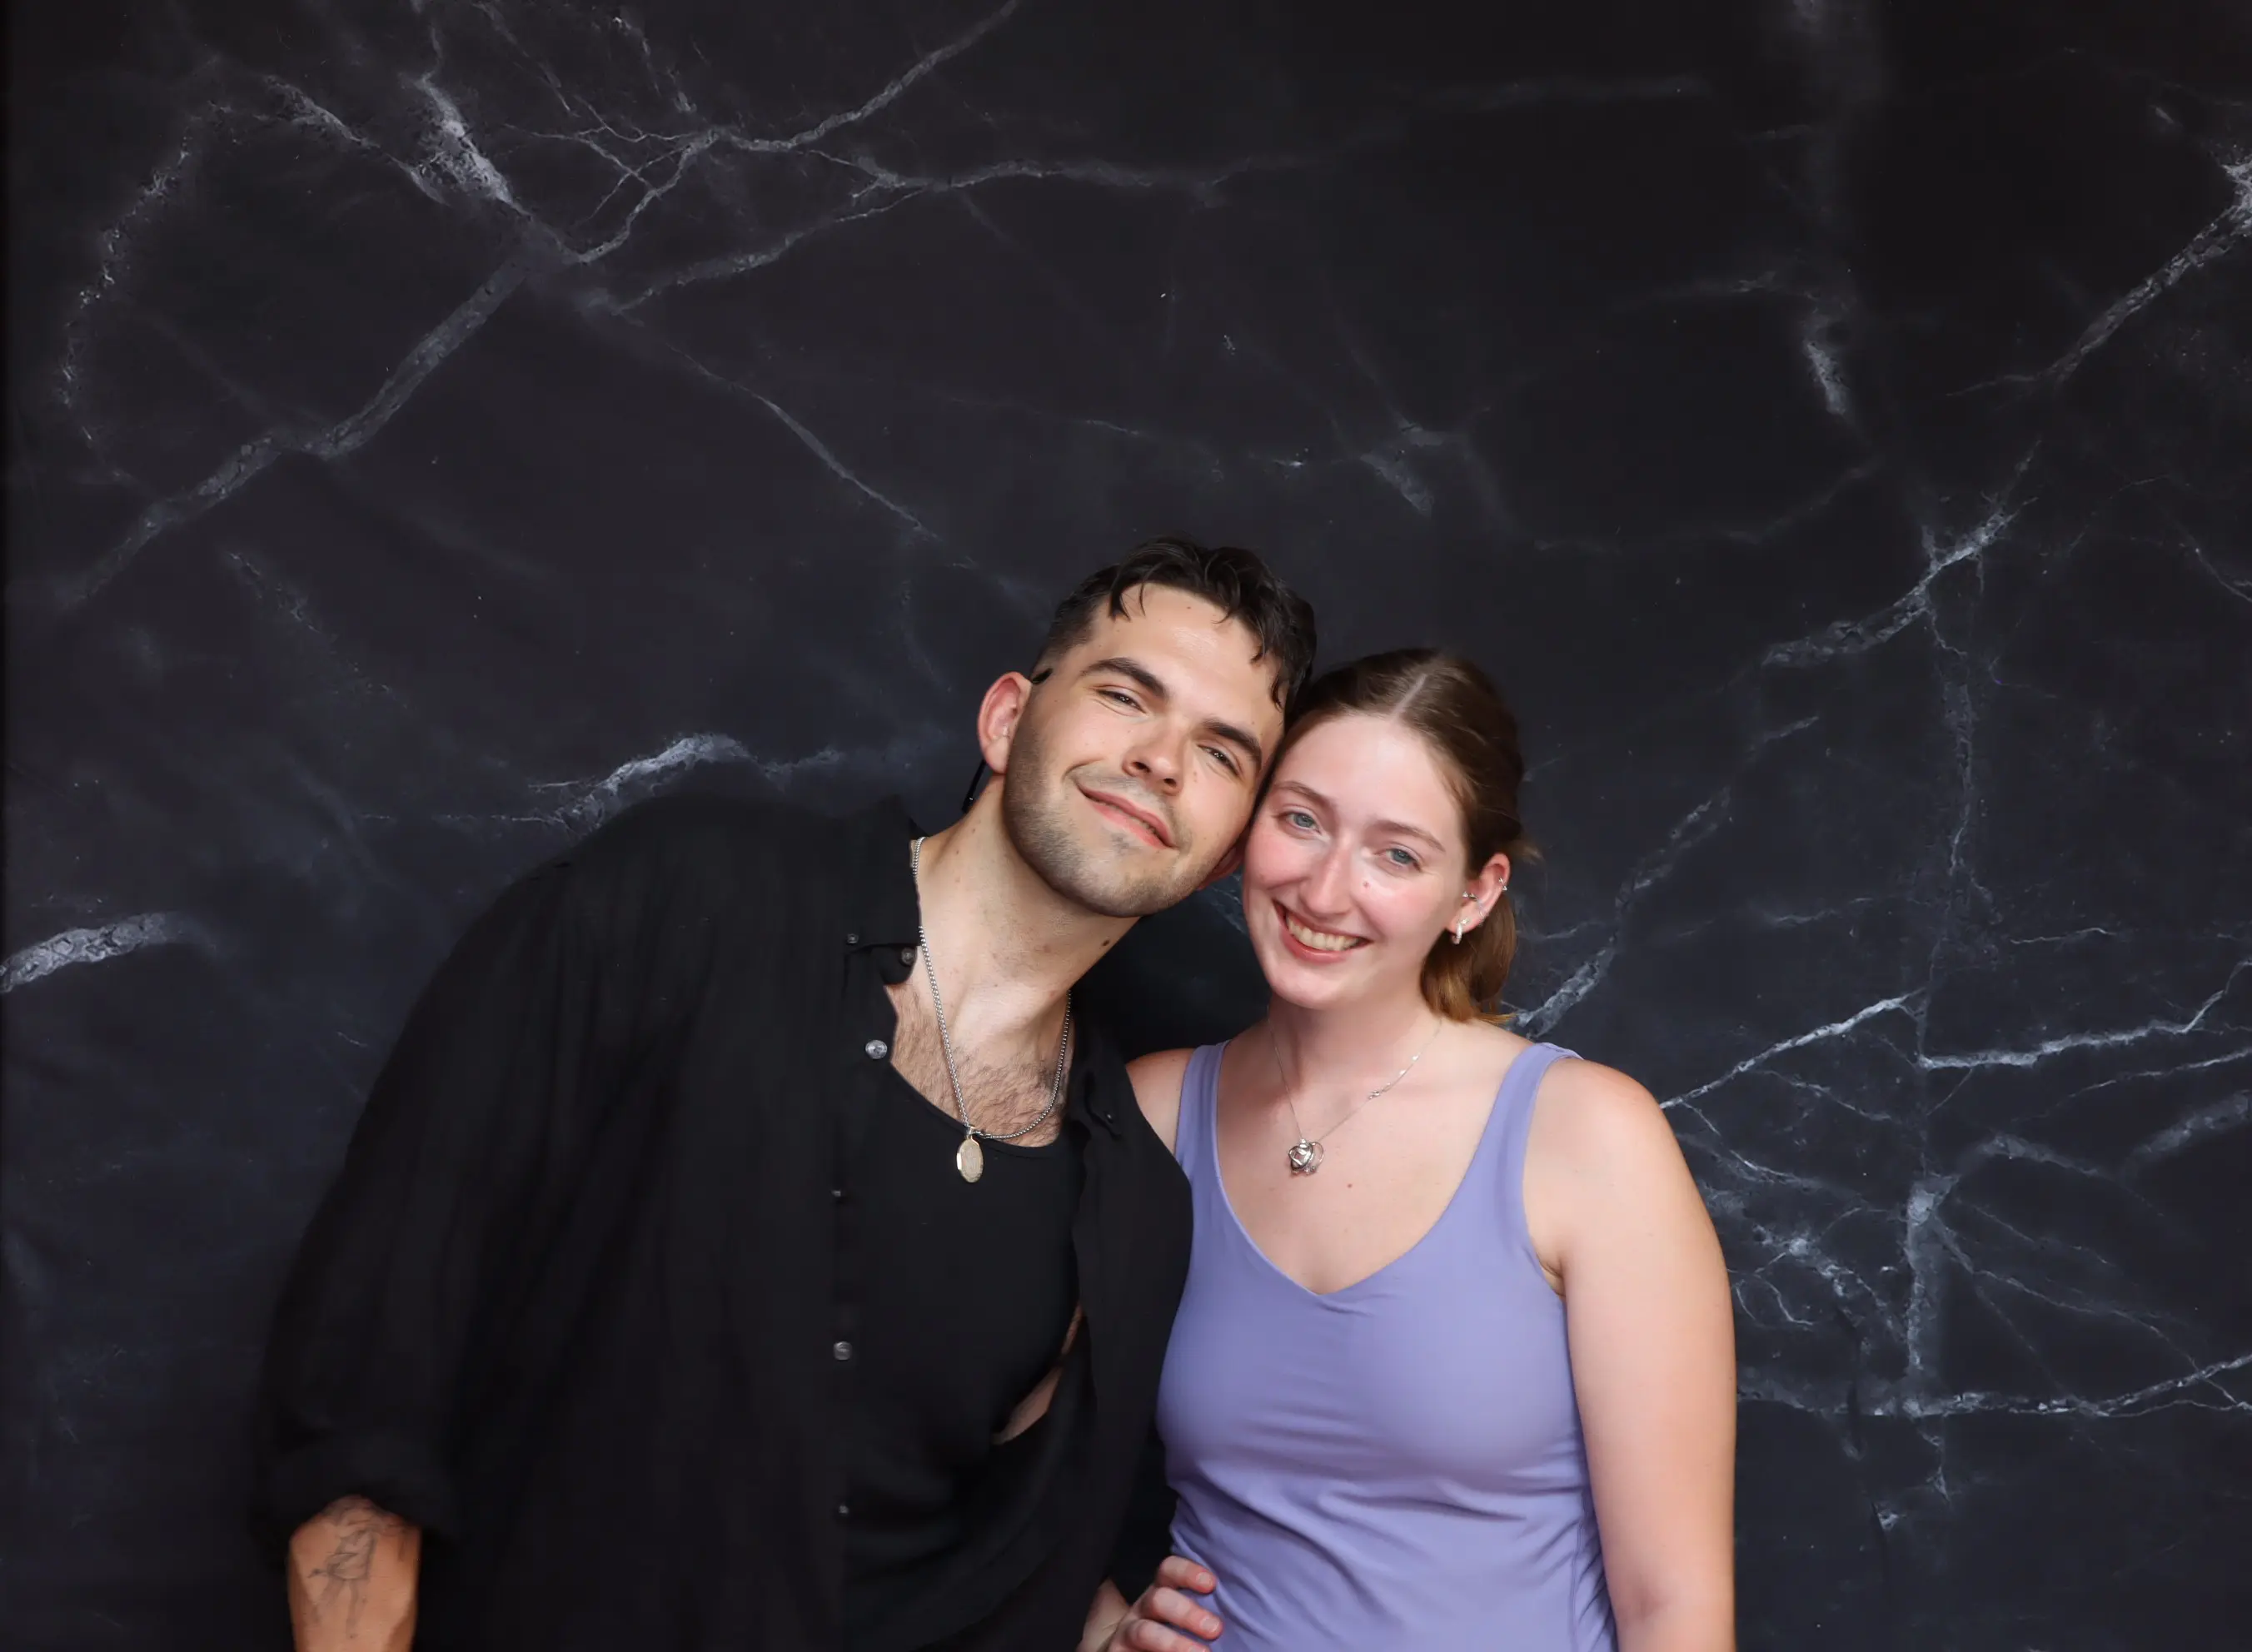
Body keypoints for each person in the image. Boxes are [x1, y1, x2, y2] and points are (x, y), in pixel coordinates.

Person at [252, 536, 1317, 1652]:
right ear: (1007, 720)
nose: (1159, 759)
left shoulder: (1127, 1205)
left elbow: (991, 1579)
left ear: (1221, 860)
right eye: (1125, 694)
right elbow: (372, 1352)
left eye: (1221, 752)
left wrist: (1101, 1632)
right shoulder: (684, 899)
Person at [1084, 649, 1736, 1652]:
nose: (1324, 888)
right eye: (1301, 819)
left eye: (1396, 855)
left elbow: (1673, 1609)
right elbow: (966, 1426)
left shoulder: (1586, 1135)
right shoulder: (1155, 1112)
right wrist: (1095, 1628)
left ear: (1473, 893)